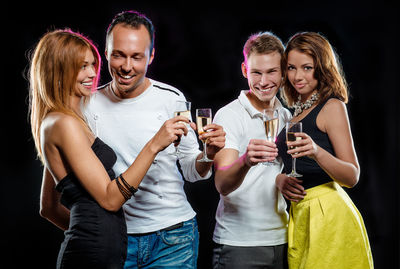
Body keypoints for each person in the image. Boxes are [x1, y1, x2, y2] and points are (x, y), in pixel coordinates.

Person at [29, 29, 190, 268]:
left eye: (93, 64)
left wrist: (98, 232)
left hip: (105, 252)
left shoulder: (68, 119)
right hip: (93, 256)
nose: (92, 74)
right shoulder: (63, 123)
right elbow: (110, 200)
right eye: (81, 66)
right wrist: (154, 145)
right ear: (59, 70)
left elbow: (49, 208)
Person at [82, 10, 225, 268]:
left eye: (137, 57)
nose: (127, 67)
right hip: (115, 237)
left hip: (173, 237)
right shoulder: (88, 105)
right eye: (119, 55)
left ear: (151, 56)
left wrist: (209, 154)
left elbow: (193, 171)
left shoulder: (171, 98)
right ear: (106, 52)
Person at [275, 32, 373, 268]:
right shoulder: (294, 114)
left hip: (329, 214)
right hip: (301, 215)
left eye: (307, 68)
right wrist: (279, 179)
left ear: (322, 68)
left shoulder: (331, 106)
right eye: (291, 68)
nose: (298, 76)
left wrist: (316, 151)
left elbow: (352, 176)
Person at [211, 31, 291, 269]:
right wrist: (246, 160)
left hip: (283, 238)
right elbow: (222, 183)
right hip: (239, 244)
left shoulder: (287, 116)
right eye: (256, 72)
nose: (264, 82)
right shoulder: (229, 115)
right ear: (245, 71)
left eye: (271, 72)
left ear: (284, 72)